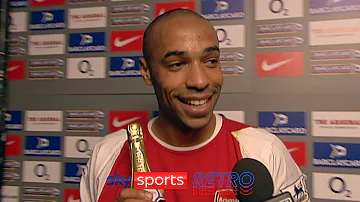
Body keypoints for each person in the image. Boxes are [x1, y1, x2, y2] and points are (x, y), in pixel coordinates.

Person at [80, 9, 310, 202]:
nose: (200, 81)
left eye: (211, 61)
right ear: (147, 72)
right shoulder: (107, 155)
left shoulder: (264, 151)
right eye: (177, 64)